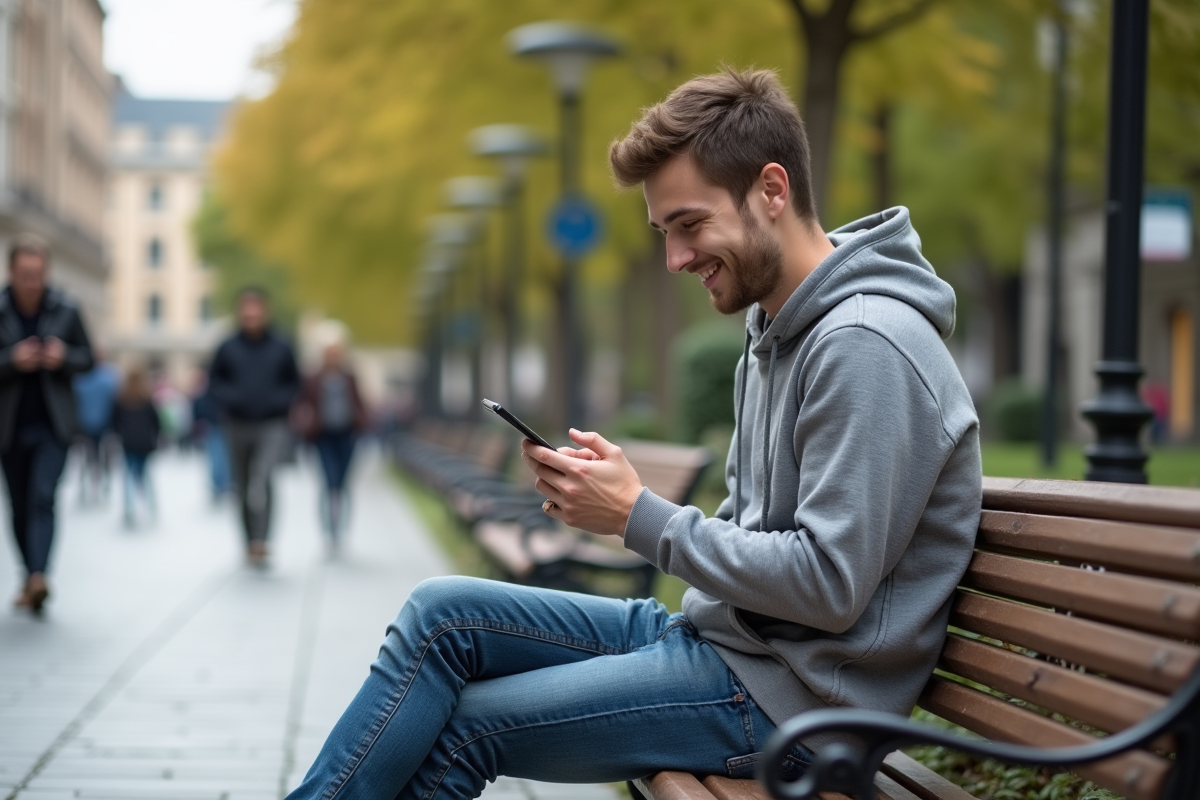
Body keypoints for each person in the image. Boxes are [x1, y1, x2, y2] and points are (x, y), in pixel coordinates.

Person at [286, 68, 981, 800]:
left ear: (772, 191)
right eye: (664, 233)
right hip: (726, 648)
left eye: (690, 224)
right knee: (439, 615)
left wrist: (636, 516)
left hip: (797, 708)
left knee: (464, 725)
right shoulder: (774, 331)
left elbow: (829, 585)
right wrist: (624, 501)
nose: (677, 258)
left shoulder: (865, 342)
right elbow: (750, 529)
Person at [0, 234, 95, 613]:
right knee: (18, 506)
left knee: (43, 497)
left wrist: (64, 357)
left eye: (38, 274)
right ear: (11, 272)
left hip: (53, 425)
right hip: (8, 426)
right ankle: (30, 574)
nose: (32, 283)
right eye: (25, 274)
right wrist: (11, 360)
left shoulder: (66, 309)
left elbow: (88, 358)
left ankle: (39, 575)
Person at [208, 287, 300, 567]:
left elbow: (294, 382)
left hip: (272, 424)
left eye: (256, 307)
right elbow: (214, 382)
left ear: (264, 310)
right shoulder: (227, 347)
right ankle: (249, 541)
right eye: (246, 308)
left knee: (262, 476)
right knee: (244, 483)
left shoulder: (281, 345)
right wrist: (231, 399)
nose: (251, 314)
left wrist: (278, 401)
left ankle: (262, 540)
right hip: (237, 423)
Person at [293, 322, 368, 549]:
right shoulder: (313, 377)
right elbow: (301, 402)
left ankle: (342, 530)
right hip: (323, 436)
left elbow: (360, 402)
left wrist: (362, 421)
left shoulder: (350, 376)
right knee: (328, 482)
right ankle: (328, 530)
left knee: (343, 484)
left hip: (347, 435)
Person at [112, 365, 160, 527]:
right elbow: (156, 422)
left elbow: (114, 422)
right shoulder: (147, 398)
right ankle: (152, 506)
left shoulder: (121, 398)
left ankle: (129, 510)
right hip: (145, 443)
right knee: (145, 475)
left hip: (128, 442)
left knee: (128, 476)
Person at [72, 347, 120, 505]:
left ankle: (86, 488)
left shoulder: (80, 378)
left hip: (86, 425)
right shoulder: (111, 378)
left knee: (86, 459)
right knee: (102, 459)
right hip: (104, 426)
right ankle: (101, 486)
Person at [190, 369, 232, 502]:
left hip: (220, 427)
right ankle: (219, 486)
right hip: (214, 427)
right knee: (218, 459)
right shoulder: (213, 392)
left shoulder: (215, 392)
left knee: (220, 459)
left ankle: (221, 485)